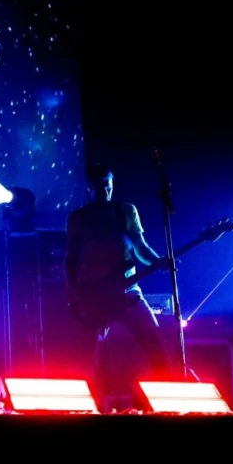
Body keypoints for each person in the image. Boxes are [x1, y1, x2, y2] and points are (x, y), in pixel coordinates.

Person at [64, 163, 174, 411]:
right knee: (86, 356)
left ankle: (168, 405)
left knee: (156, 347)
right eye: (100, 186)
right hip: (94, 294)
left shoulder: (126, 211)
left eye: (109, 185)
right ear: (89, 187)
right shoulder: (78, 218)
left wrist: (157, 261)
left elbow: (140, 247)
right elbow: (71, 258)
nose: (105, 190)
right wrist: (73, 290)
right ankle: (80, 409)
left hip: (128, 293)